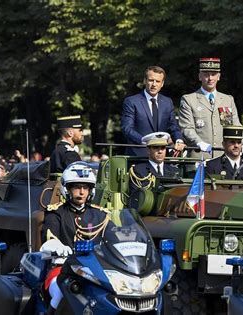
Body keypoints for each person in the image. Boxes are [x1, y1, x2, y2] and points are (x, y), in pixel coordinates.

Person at [41, 162, 109, 312]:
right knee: (60, 293)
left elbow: (112, 238)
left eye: (86, 188)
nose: (82, 192)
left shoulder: (101, 215)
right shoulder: (56, 213)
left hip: (96, 270)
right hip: (62, 268)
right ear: (67, 189)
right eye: (77, 187)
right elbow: (49, 238)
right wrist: (58, 247)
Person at [179, 58, 243, 158]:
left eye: (213, 74)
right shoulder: (189, 100)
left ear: (219, 76)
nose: (210, 78)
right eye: (206, 74)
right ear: (200, 76)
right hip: (199, 157)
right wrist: (199, 142)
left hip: (223, 157)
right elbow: (187, 128)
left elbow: (234, 125)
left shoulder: (227, 100)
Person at [121, 66, 185, 156]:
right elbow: (127, 128)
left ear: (162, 84)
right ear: (145, 81)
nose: (154, 84)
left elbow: (173, 126)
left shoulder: (167, 102)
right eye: (151, 80)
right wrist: (145, 141)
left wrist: (179, 140)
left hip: (161, 157)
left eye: (158, 81)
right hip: (138, 156)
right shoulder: (132, 101)